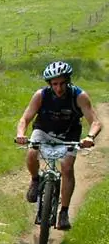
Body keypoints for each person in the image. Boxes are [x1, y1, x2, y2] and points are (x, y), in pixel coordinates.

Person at [15, 60, 101, 230]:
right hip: (44, 130)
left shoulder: (79, 96)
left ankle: (64, 212)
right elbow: (25, 118)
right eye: (55, 84)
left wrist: (90, 137)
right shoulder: (41, 95)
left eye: (62, 83)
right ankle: (35, 180)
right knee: (32, 153)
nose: (59, 88)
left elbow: (95, 122)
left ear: (68, 81)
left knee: (67, 167)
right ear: (49, 84)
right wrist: (20, 134)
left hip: (69, 134)